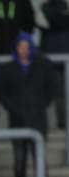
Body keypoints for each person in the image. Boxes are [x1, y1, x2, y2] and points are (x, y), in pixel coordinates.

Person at [0, 33, 57, 177]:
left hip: (37, 120)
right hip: (17, 120)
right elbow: (2, 92)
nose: (24, 49)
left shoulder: (42, 65)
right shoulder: (8, 69)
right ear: (16, 48)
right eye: (20, 46)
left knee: (39, 161)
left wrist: (42, 104)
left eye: (27, 46)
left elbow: (52, 87)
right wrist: (12, 108)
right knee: (19, 161)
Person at [42, 0, 69, 129]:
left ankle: (63, 121)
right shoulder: (45, 7)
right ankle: (62, 121)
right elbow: (51, 22)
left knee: (60, 92)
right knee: (58, 92)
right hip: (54, 55)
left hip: (56, 53)